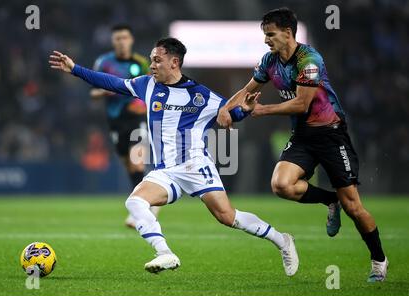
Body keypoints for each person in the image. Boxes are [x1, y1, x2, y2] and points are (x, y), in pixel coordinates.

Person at [49, 37, 299, 276]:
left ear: (174, 62)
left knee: (227, 217)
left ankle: (281, 239)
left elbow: (229, 114)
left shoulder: (201, 96)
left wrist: (244, 110)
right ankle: (165, 253)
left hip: (195, 165)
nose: (152, 65)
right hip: (164, 171)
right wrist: (75, 69)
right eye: (151, 59)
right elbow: (112, 83)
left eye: (157, 60)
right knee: (134, 202)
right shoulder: (146, 85)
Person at [217, 7, 388, 282]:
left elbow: (301, 103)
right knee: (281, 185)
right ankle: (330, 200)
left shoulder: (309, 59)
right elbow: (249, 90)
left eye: (270, 34)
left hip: (331, 134)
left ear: (288, 33)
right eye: (264, 35)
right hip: (303, 136)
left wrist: (261, 111)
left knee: (354, 207)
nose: (266, 40)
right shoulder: (269, 61)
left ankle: (379, 260)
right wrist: (226, 109)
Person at [90, 24, 157, 228]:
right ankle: (147, 203)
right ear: (113, 41)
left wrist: (144, 106)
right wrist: (106, 91)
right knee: (129, 165)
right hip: (115, 121)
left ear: (131, 40)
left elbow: (152, 88)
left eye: (124, 38)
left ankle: (141, 209)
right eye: (117, 38)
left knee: (137, 163)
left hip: (136, 118)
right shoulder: (104, 63)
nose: (121, 41)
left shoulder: (141, 62)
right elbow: (93, 93)